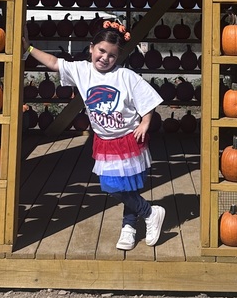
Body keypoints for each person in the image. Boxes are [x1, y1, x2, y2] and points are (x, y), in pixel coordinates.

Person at [22, 20, 165, 251]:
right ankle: (149, 212)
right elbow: (54, 62)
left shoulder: (125, 76)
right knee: (111, 186)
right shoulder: (82, 70)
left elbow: (147, 100)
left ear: (117, 57)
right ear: (91, 48)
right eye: (101, 51)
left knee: (127, 186)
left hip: (128, 138)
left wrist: (145, 123)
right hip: (105, 142)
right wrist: (28, 49)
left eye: (112, 55)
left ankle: (129, 225)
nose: (105, 58)